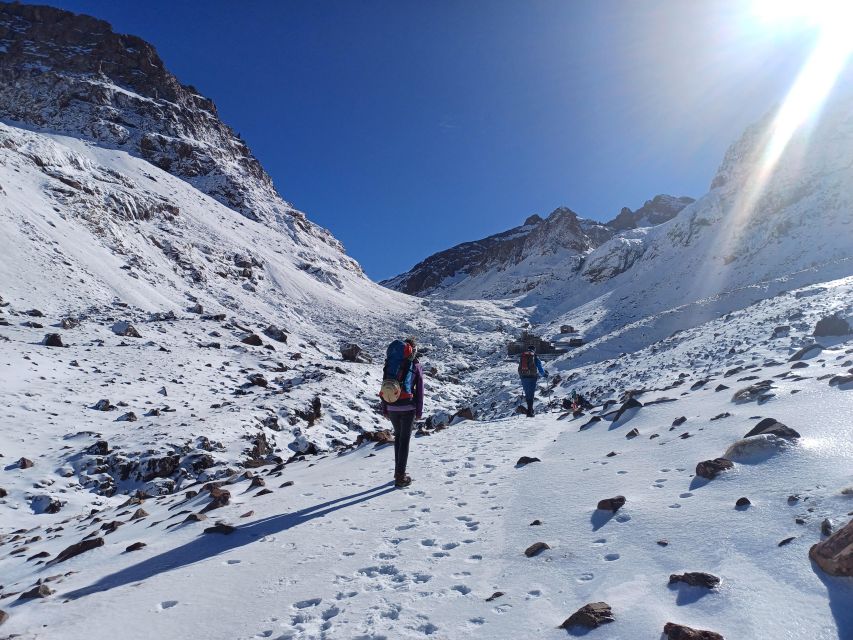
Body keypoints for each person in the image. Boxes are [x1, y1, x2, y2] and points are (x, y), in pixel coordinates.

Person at [380, 337, 424, 487]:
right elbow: (420, 390)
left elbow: (384, 386)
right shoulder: (415, 365)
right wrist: (419, 411)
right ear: (413, 350)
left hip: (392, 405)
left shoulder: (391, 362)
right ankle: (400, 476)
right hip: (408, 407)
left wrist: (385, 407)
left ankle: (398, 471)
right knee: (404, 440)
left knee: (398, 438)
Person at [518, 346, 547, 417]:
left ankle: (530, 410)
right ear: (534, 350)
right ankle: (530, 412)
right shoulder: (535, 357)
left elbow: (520, 368)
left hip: (523, 377)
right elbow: (540, 368)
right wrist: (545, 374)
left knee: (527, 394)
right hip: (532, 378)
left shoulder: (523, 356)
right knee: (531, 394)